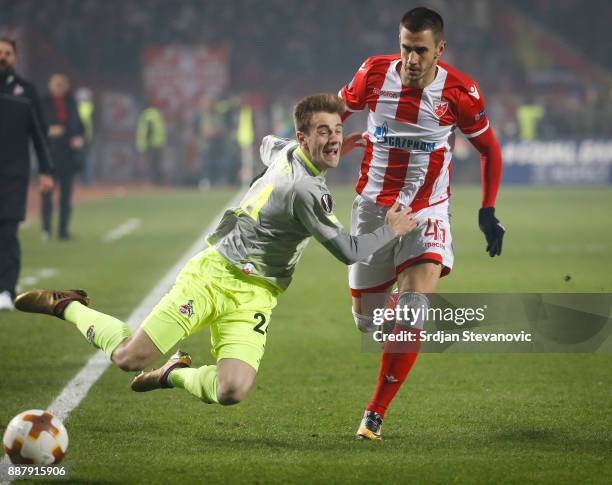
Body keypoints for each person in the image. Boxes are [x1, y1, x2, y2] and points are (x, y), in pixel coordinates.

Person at [15, 94, 417, 407]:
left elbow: (265, 144)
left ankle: (173, 373)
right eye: (324, 132)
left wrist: (328, 149)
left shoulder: (283, 150)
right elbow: (348, 251)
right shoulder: (306, 191)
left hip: (257, 293)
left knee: (231, 391)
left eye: (336, 130)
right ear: (303, 137)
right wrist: (391, 228)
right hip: (214, 276)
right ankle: (66, 304)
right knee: (128, 358)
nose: (334, 139)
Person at [338, 7, 505, 440]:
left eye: (421, 51)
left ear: (439, 50)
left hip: (426, 211)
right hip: (372, 210)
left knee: (412, 310)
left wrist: (487, 210)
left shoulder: (460, 92)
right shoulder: (374, 73)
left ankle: (374, 413)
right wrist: (316, 145)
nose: (411, 60)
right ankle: (386, 307)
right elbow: (335, 111)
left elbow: (489, 150)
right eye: (405, 48)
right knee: (367, 322)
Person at [0, 38, 54, 311]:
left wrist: (45, 170)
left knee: (8, 232)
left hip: (13, 175)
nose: (2, 57)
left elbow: (39, 134)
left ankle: (6, 291)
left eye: (7, 53)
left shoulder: (27, 92)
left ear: (15, 58)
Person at [40, 73, 85, 240]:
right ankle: (46, 229)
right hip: (49, 155)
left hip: (68, 155)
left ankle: (63, 230)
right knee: (47, 194)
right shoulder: (42, 102)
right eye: (57, 84)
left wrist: (79, 138)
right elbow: (34, 127)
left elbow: (80, 126)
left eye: (62, 84)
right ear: (50, 85)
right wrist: (49, 131)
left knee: (66, 196)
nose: (60, 87)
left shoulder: (71, 102)